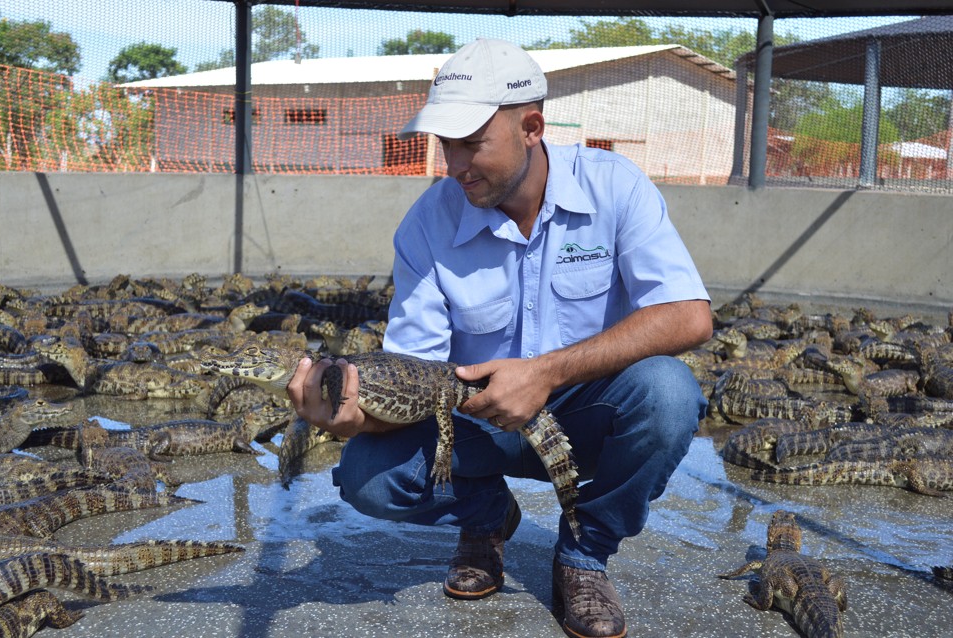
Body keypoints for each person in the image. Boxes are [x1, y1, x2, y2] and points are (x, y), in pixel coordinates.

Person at [288, 38, 712, 638]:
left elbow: (689, 316)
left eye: (471, 142)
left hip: (582, 410)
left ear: (532, 126)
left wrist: (547, 373)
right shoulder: (426, 225)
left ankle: (584, 556)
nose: (453, 165)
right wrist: (355, 416)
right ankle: (487, 518)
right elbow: (413, 372)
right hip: (469, 415)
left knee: (670, 395)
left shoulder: (616, 187)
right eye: (445, 143)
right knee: (366, 475)